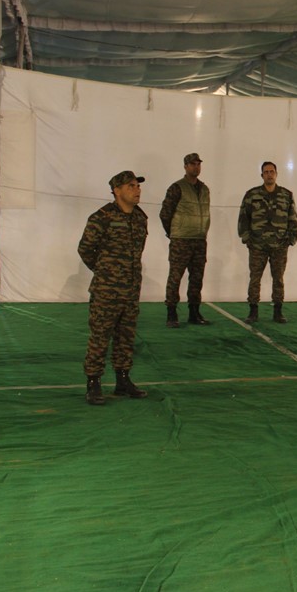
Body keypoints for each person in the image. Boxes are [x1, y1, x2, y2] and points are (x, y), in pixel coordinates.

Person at [77, 170, 149, 405]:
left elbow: (138, 251)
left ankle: (123, 380)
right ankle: (93, 383)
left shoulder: (140, 218)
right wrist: (105, 271)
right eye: (131, 186)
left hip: (131, 289)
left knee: (126, 337)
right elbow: (86, 249)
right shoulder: (102, 217)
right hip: (106, 290)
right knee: (100, 336)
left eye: (137, 186)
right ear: (117, 190)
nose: (137, 189)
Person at [238, 161, 297, 324]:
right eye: (266, 172)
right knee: (255, 278)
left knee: (278, 278)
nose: (269, 174)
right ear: (262, 175)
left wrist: (291, 239)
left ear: (276, 174)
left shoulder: (286, 195)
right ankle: (253, 311)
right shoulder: (252, 195)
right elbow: (243, 218)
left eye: (272, 171)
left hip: (279, 245)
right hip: (257, 245)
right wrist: (247, 238)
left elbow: (292, 218)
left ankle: (278, 311)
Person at [160, 152, 211, 328]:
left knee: (197, 278)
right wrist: (173, 232)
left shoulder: (204, 189)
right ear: (185, 166)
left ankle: (194, 312)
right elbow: (165, 214)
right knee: (175, 277)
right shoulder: (176, 188)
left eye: (198, 164)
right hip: (181, 240)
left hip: (199, 240)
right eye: (192, 164)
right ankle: (171, 312)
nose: (196, 167)